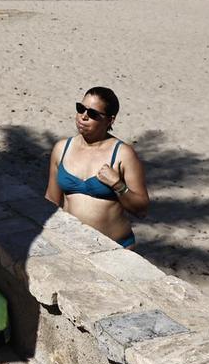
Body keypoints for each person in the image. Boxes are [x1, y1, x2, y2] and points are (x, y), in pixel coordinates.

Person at [44, 87, 149, 249]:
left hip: (115, 249)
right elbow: (51, 200)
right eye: (81, 109)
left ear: (110, 120)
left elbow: (141, 209)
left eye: (92, 114)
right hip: (70, 245)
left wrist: (117, 185)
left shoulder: (123, 154)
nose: (83, 116)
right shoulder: (62, 148)